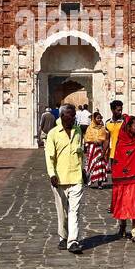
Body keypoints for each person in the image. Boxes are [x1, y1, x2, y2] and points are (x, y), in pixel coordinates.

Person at [45, 104, 85, 254]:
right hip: (59, 178)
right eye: (70, 115)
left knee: (74, 210)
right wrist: (52, 174)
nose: (73, 117)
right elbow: (50, 157)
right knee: (62, 211)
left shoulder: (78, 131)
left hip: (76, 177)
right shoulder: (53, 134)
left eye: (74, 114)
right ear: (62, 116)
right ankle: (63, 236)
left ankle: (72, 241)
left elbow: (80, 153)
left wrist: (83, 169)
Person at [110, 115, 135, 243]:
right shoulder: (120, 143)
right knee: (123, 204)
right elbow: (117, 161)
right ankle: (122, 226)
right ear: (128, 127)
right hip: (122, 180)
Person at [83, 111, 109, 189]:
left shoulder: (102, 128)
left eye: (100, 118)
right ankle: (89, 181)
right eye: (97, 118)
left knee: (100, 165)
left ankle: (100, 183)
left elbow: (105, 139)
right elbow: (86, 138)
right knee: (91, 164)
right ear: (94, 119)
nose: (99, 119)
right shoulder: (90, 128)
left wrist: (101, 142)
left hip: (100, 149)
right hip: (92, 149)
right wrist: (93, 141)